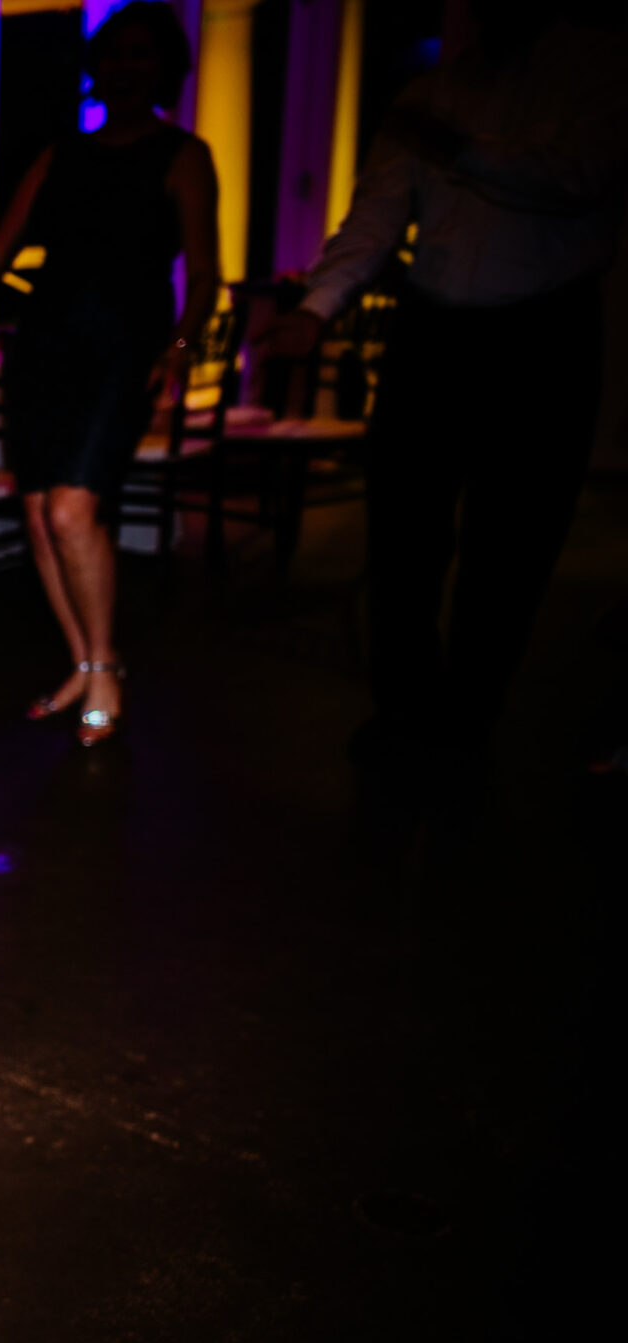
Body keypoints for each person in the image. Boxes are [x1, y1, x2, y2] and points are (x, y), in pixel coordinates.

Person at [260, 0, 626, 779]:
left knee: (513, 542)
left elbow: (580, 178)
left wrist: (459, 149)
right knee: (402, 531)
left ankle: (468, 718)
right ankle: (401, 712)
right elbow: (374, 218)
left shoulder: (598, 66)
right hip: (431, 332)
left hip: (544, 333)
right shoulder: (429, 92)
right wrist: (316, 310)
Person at [0, 1, 219, 747]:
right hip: (44, 345)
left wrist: (181, 349)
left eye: (141, 53)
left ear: (163, 68)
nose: (126, 66)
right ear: (97, 66)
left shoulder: (183, 155)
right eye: (115, 53)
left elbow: (204, 275)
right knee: (37, 513)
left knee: (72, 510)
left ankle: (106, 667)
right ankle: (82, 661)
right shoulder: (60, 154)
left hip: (123, 345)